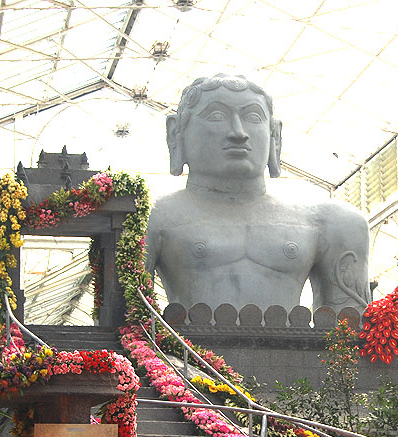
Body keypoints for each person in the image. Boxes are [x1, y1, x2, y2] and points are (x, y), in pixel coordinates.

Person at [145, 73, 370, 314]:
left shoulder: (330, 223)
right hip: (180, 352)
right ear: (175, 132)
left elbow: (348, 335)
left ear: (275, 135)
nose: (238, 132)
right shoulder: (152, 218)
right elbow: (128, 319)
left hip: (292, 351)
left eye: (253, 116)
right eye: (216, 115)